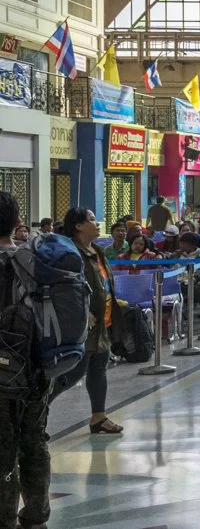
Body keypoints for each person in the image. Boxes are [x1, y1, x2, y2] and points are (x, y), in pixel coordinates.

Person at [0, 192, 50, 527]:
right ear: (18, 224)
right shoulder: (33, 262)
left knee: (3, 446)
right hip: (37, 367)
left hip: (3, 372)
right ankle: (35, 513)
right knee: (33, 439)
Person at [61, 208, 122, 435]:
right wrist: (82, 312)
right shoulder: (70, 252)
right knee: (75, 371)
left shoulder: (96, 250)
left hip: (102, 320)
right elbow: (64, 288)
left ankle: (99, 417)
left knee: (99, 368)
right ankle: (38, 408)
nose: (98, 223)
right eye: (92, 220)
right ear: (78, 226)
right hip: (83, 323)